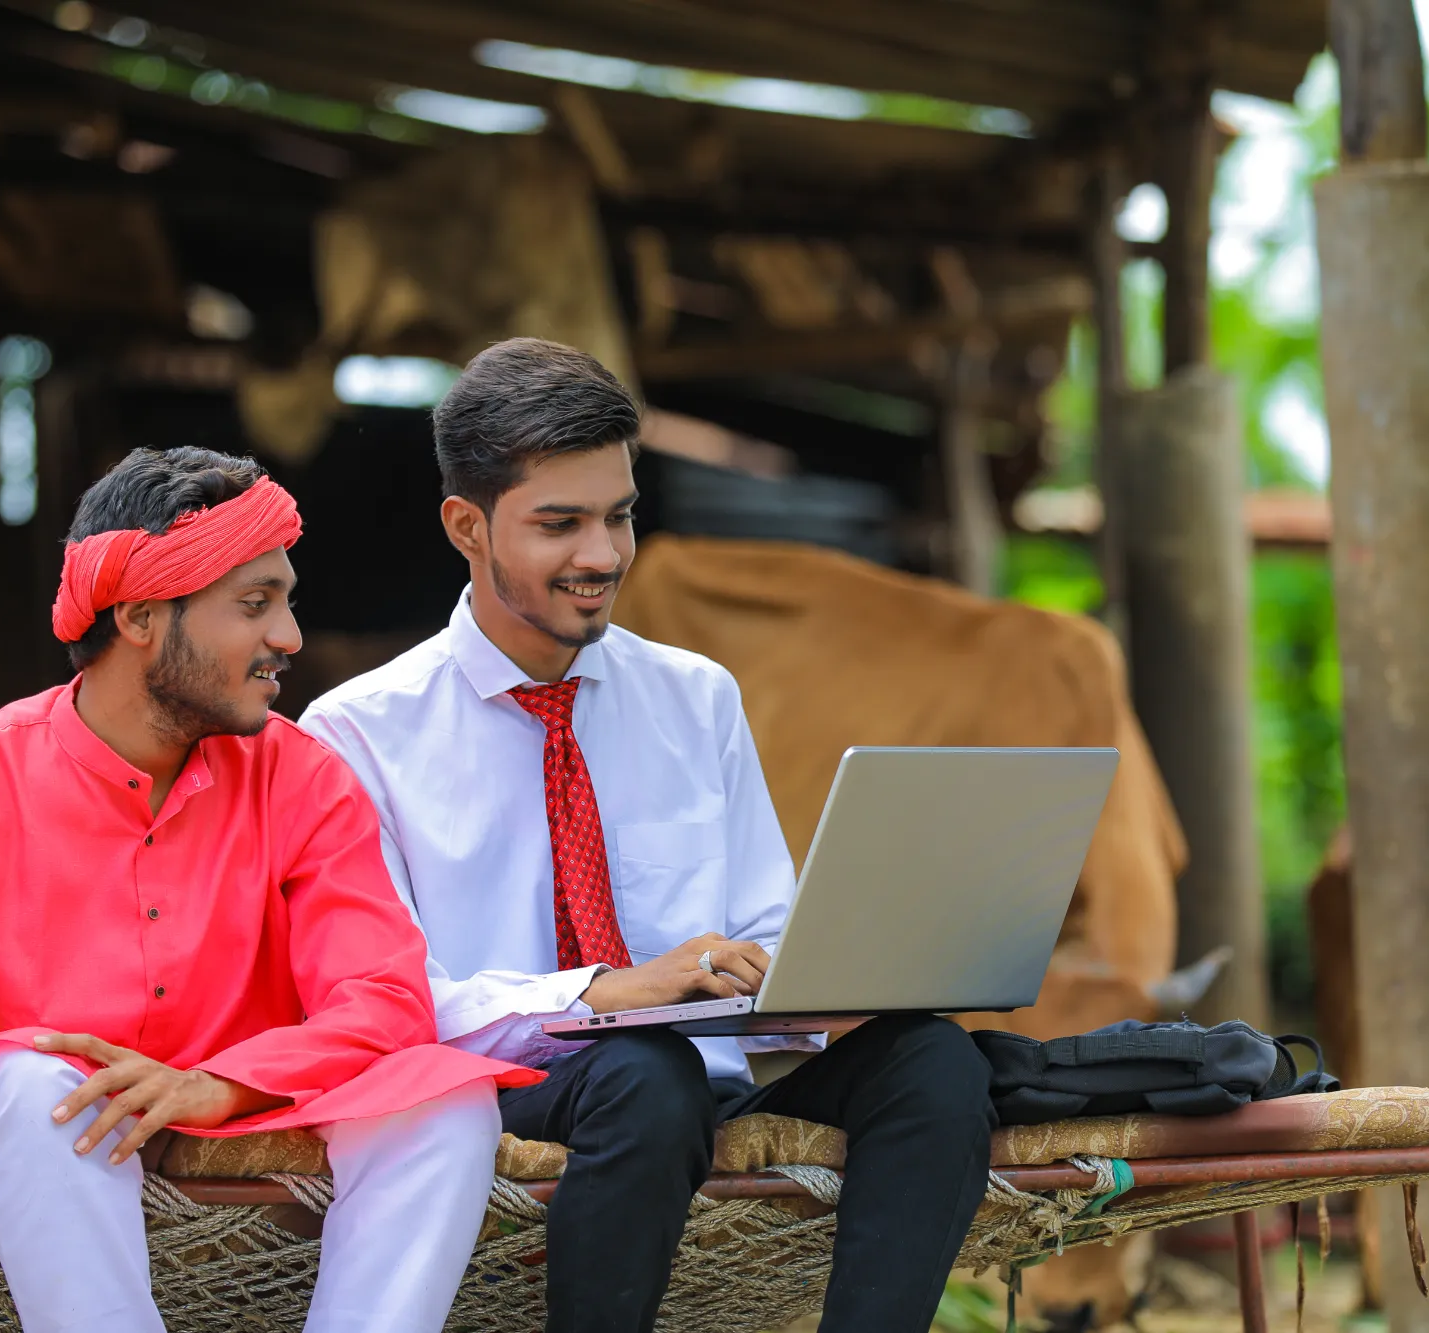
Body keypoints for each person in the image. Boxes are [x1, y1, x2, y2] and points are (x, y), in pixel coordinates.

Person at [301, 339, 994, 1333]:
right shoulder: (357, 734)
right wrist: (599, 995)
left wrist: (826, 978)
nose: (602, 554)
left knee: (934, 1062)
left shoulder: (695, 697)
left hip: (701, 1081)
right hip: (507, 1094)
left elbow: (762, 928)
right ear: (466, 525)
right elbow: (389, 1005)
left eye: (619, 515)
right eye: (560, 523)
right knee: (643, 1070)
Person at [0, 447, 538, 1333]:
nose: (288, 636)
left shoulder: (301, 776)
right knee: (33, 1080)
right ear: (138, 616)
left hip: (245, 1108)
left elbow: (384, 999)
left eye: (284, 599)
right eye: (255, 605)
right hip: (39, 1133)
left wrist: (218, 1082)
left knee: (444, 1096)